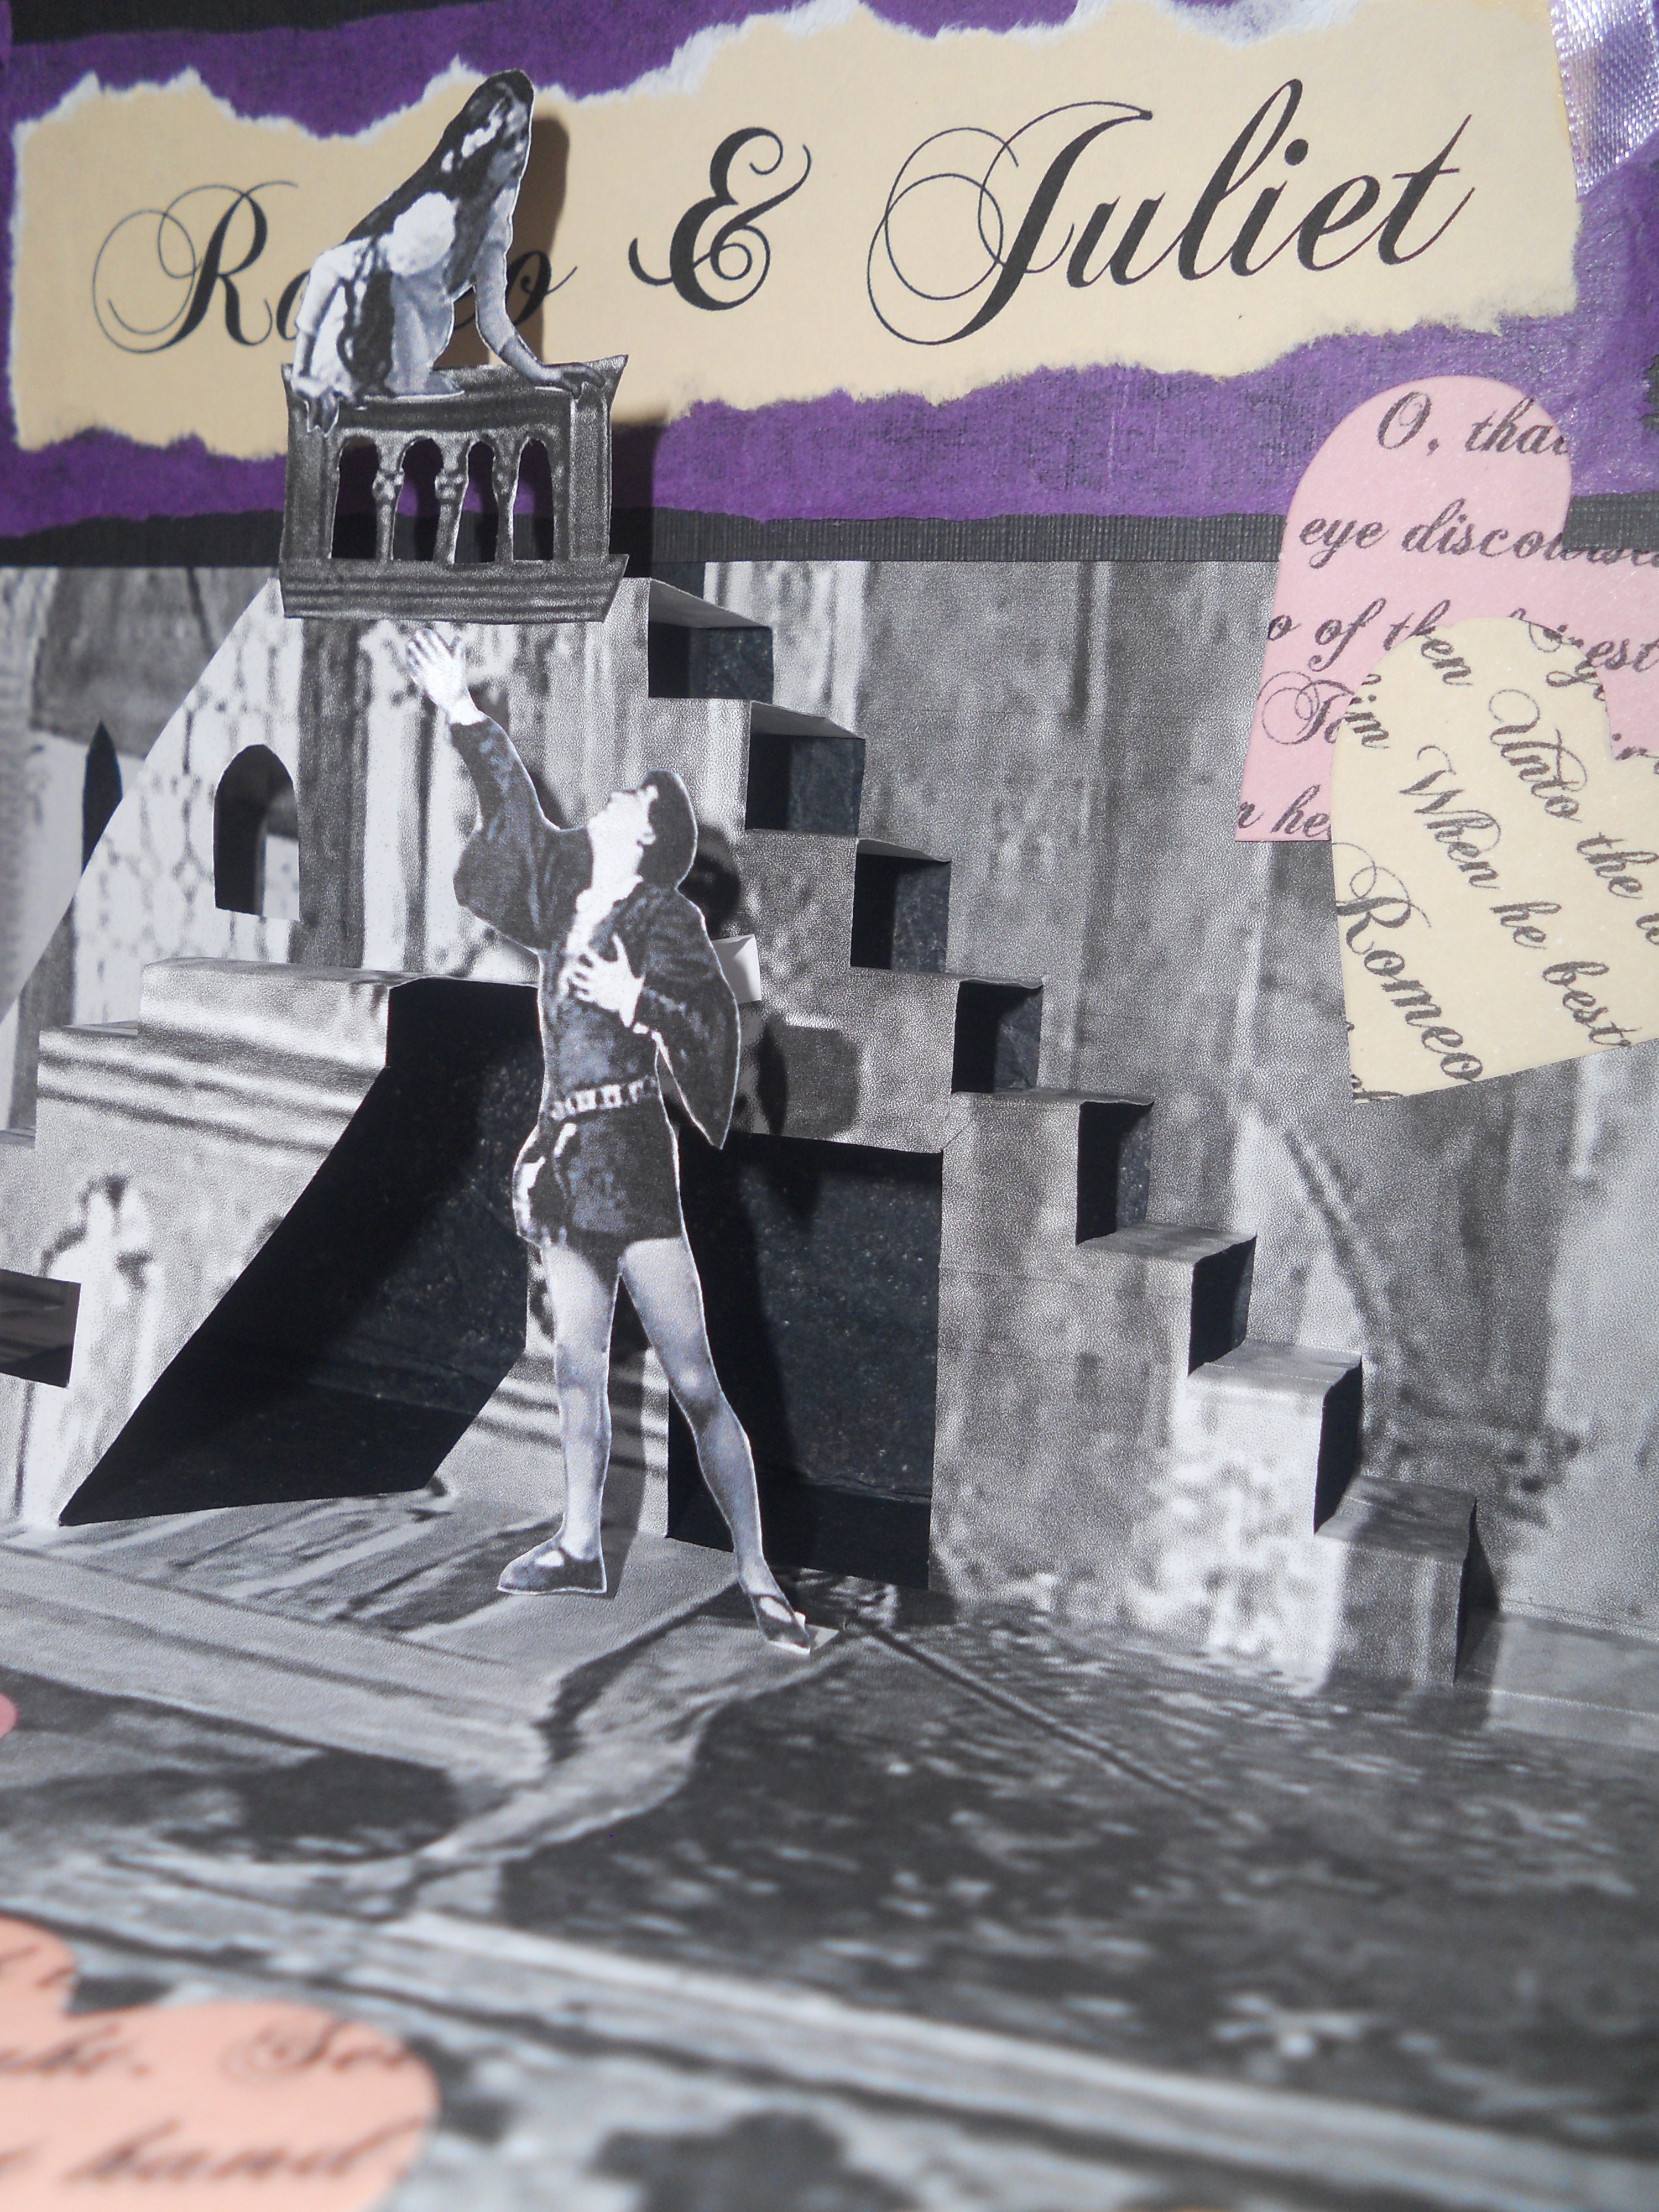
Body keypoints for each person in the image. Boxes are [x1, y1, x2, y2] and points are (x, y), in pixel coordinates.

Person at [405, 626, 811, 1655]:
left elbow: (710, 1030)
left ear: (647, 839)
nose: (612, 800)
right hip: (565, 1157)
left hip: (632, 1161)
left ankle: (757, 1572)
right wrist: (463, 711)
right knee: (577, 1368)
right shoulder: (566, 893)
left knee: (696, 1382)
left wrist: (639, 1002)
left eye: (630, 801)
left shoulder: (663, 921)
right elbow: (517, 813)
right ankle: (582, 1542)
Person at [289, 70, 587, 428]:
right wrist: (302, 373)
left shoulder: (491, 228)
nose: (521, 151)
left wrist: (541, 374)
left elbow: (493, 320)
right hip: (351, 358)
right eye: (509, 141)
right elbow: (330, 265)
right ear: (482, 149)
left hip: (400, 373)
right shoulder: (435, 217)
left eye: (524, 136)